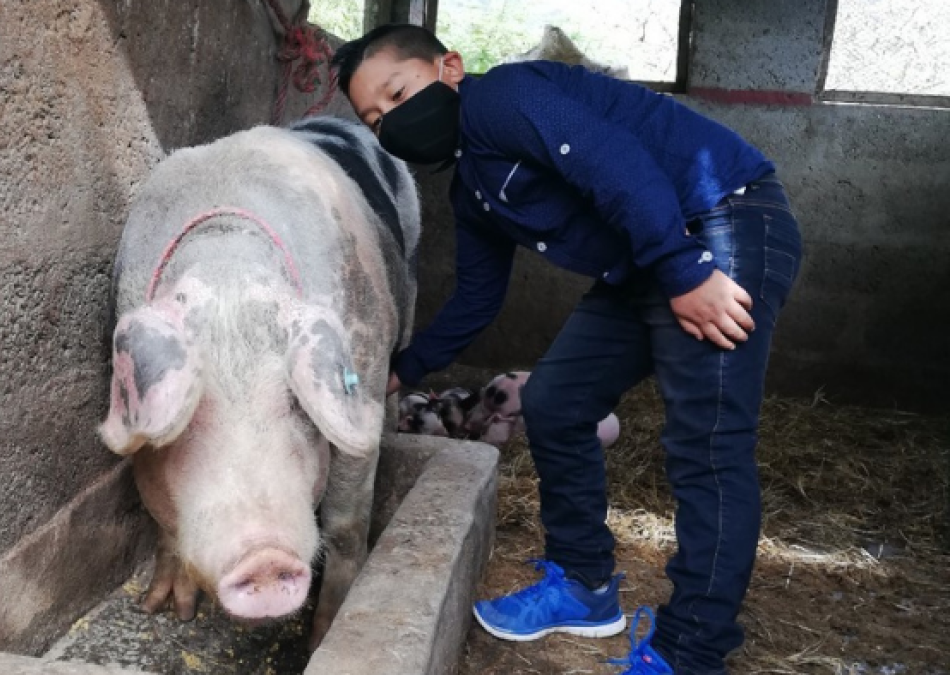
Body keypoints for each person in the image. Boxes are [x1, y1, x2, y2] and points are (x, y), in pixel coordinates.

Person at [330, 23, 802, 675]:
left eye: (398, 94)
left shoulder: (504, 98)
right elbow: (477, 297)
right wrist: (401, 370)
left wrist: (687, 271)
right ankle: (584, 586)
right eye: (376, 120)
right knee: (554, 401)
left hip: (718, 219)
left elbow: (615, 163)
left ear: (450, 68)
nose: (393, 120)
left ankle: (690, 652)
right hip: (650, 258)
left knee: (708, 444)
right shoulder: (474, 187)